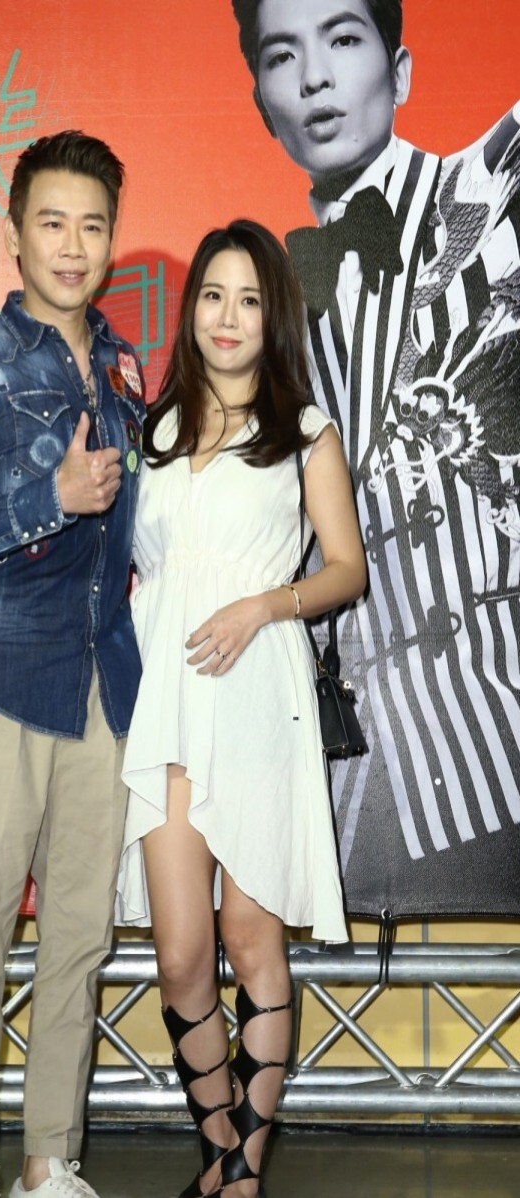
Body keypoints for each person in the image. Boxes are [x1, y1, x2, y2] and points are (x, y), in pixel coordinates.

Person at [230, 0, 520, 917]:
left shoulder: (493, 190)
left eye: (343, 39)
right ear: (261, 103)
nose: (314, 76)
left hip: (490, 728)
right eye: (283, 55)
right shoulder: (261, 305)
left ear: (399, 73)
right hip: (340, 762)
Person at [0, 130, 146, 1198]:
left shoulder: (124, 370)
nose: (72, 245)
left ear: (111, 238)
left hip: (101, 679)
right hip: (0, 674)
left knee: (78, 939)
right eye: (51, 222)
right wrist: (45, 499)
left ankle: (52, 1159)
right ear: (13, 234)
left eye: (92, 225)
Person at [120, 220, 364, 1197]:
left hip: (259, 703)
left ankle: (241, 1174)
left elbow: (345, 569)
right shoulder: (152, 432)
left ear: (274, 317)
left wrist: (263, 605)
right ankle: (220, 1148)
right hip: (166, 708)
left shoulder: (304, 431)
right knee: (181, 956)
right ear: (191, 312)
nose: (228, 317)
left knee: (251, 942)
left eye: (249, 299)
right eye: (213, 296)